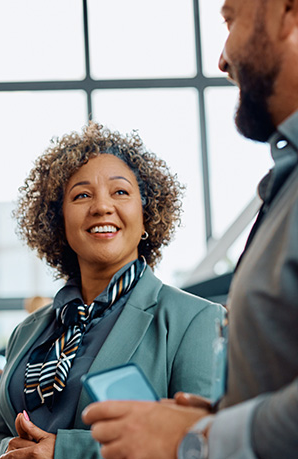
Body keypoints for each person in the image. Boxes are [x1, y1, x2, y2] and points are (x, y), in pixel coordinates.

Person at [82, 1, 298, 458]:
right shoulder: (285, 183)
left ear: (289, 12)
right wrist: (218, 417)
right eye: (81, 196)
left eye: (231, 19)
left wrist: (200, 438)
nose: (222, 59)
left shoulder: (188, 316)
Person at [0, 122, 225, 459]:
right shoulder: (27, 332)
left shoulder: (195, 320)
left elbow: (206, 443)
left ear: (146, 215)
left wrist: (64, 452)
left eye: (120, 192)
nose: (101, 207)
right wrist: (9, 449)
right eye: (81, 195)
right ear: (59, 221)